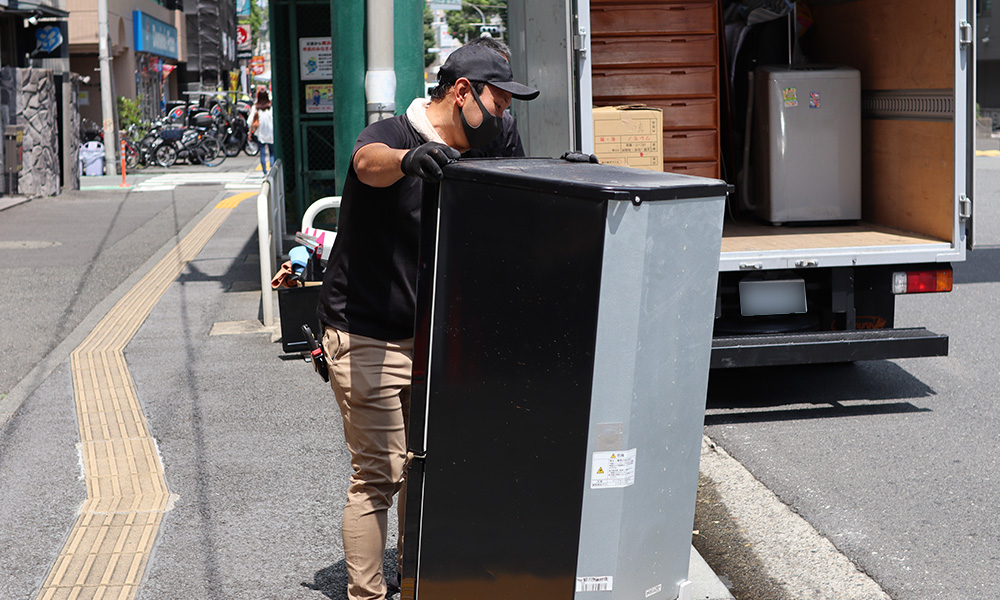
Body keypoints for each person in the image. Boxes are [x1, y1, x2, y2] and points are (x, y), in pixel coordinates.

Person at [316, 43, 539, 600]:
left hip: (437, 336)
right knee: (380, 473)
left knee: (430, 467)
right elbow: (366, 162)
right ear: (463, 93)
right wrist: (408, 160)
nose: (504, 116)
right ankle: (368, 594)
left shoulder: (490, 142)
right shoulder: (393, 135)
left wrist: (568, 178)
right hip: (366, 331)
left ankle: (418, 580)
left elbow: (524, 190)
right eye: (499, 103)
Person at [248, 89, 275, 172]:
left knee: (262, 153)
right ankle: (272, 169)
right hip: (270, 130)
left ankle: (264, 171)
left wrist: (250, 132)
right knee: (272, 152)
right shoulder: (270, 107)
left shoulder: (256, 107)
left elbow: (249, 121)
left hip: (260, 132)